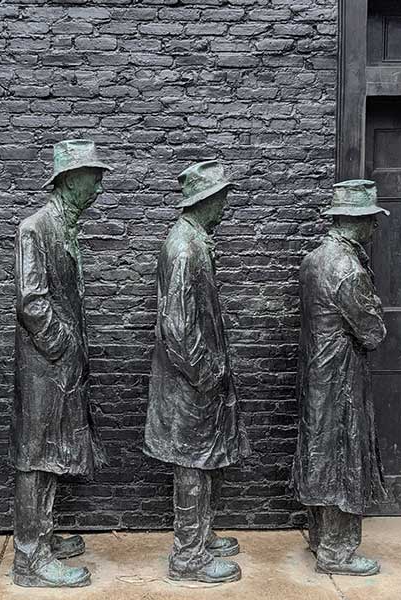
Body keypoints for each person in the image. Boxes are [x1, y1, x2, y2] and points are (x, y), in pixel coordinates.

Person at [144, 160, 250, 584]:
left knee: (202, 460)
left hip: (195, 380)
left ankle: (200, 535)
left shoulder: (194, 241)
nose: (225, 205)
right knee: (191, 462)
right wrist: (206, 375)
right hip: (190, 382)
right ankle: (188, 556)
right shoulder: (185, 248)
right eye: (221, 197)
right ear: (206, 201)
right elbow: (178, 325)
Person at [10, 139, 110, 588]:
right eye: (94, 177)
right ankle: (30, 559)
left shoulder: (65, 228)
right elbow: (31, 301)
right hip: (45, 367)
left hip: (58, 367)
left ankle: (43, 535)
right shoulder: (36, 228)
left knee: (50, 455)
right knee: (36, 458)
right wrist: (62, 345)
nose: (99, 187)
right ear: (71, 180)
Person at [294, 179, 390, 576]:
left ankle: (321, 538)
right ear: (357, 220)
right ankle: (336, 552)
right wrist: (377, 307)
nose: (374, 229)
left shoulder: (315, 258)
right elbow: (373, 332)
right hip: (340, 379)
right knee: (341, 459)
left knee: (321, 454)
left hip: (318, 372)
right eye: (371, 220)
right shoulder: (348, 268)